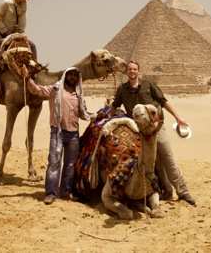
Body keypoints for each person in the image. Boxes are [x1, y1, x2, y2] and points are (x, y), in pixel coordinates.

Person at [107, 61, 196, 205]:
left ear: (138, 71)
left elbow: (163, 101)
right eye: (130, 69)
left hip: (156, 129)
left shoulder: (148, 84)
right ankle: (166, 191)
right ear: (126, 72)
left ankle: (183, 192)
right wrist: (107, 121)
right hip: (137, 131)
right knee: (153, 162)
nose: (132, 71)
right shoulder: (122, 89)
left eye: (134, 69)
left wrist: (178, 117)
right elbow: (114, 105)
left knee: (168, 159)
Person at [21, 65, 96, 205]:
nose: (72, 77)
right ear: (65, 76)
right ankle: (50, 193)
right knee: (54, 162)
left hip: (73, 133)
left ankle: (66, 192)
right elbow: (36, 90)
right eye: (70, 74)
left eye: (75, 75)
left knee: (70, 164)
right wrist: (27, 78)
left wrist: (97, 116)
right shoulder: (54, 89)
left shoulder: (78, 94)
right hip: (58, 132)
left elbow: (83, 113)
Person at [0, 0, 37, 79]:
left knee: (32, 46)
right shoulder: (6, 3)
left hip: (14, 34)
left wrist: (22, 35)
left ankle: (34, 70)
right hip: (0, 31)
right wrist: (5, 31)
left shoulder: (24, 6)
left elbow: (22, 23)